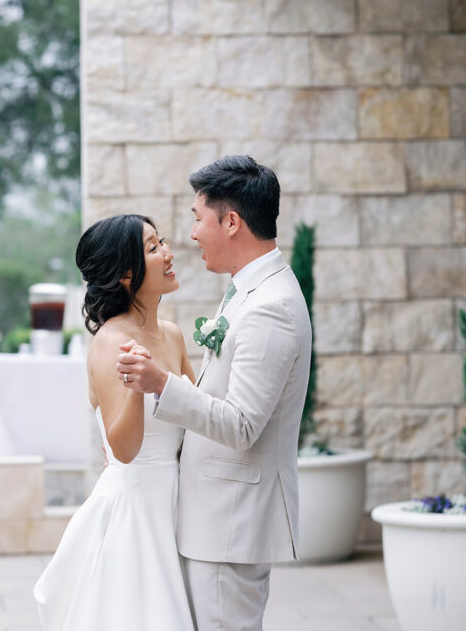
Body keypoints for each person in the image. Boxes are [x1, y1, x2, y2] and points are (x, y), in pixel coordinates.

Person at [118, 155, 312, 631]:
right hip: (214, 522)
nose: (190, 235)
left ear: (231, 221)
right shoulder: (246, 291)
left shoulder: (271, 307)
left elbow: (242, 426)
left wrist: (162, 384)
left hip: (230, 525)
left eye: (197, 219)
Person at [34, 214, 196, 630]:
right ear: (126, 273)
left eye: (163, 243)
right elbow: (122, 450)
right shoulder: (111, 343)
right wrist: (141, 390)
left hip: (176, 503)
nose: (168, 254)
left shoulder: (174, 335)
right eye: (153, 248)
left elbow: (199, 416)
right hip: (135, 511)